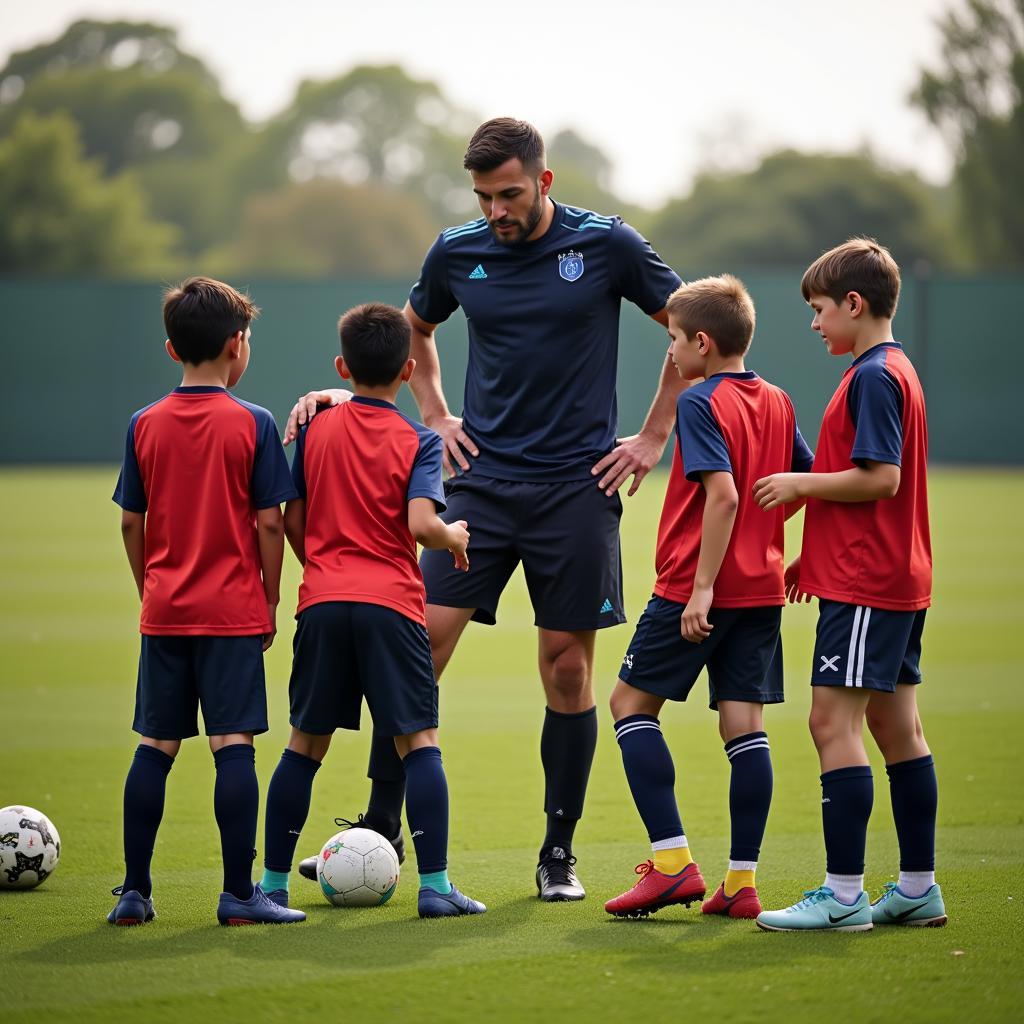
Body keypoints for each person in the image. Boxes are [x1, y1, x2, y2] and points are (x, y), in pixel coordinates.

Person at [287, 117, 684, 900]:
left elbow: (688, 325)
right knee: (417, 646)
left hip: (577, 486)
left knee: (566, 670)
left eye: (509, 194)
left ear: (544, 181)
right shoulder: (457, 250)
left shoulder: (606, 245)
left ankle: (557, 854)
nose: (497, 211)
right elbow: (417, 328)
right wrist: (434, 413)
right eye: (483, 196)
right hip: (481, 483)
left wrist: (654, 432)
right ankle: (375, 828)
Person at [260, 302, 486, 919]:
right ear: (410, 369)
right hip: (393, 605)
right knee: (419, 744)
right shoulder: (418, 440)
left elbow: (292, 519)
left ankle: (272, 887)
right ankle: (436, 889)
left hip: (324, 602)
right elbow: (421, 525)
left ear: (341, 366)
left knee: (303, 747)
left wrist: (326, 569)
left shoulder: (313, 430)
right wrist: (456, 537)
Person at [602, 275, 814, 920]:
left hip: (697, 590)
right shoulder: (777, 399)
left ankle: (671, 866)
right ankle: (741, 883)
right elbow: (803, 482)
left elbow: (722, 496)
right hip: (760, 592)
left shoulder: (699, 402)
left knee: (629, 705)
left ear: (701, 341)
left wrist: (699, 590)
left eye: (672, 340)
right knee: (743, 727)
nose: (669, 354)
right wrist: (796, 553)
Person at [753, 238, 945, 932]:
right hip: (892, 573)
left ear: (855, 304)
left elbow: (880, 479)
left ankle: (841, 898)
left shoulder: (871, 376)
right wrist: (815, 557)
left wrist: (800, 482)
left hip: (869, 582)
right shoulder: (898, 369)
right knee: (898, 727)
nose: (814, 322)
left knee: (830, 722)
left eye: (820, 308)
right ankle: (918, 888)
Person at [109, 276, 304, 926]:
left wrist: (151, 591)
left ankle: (135, 891)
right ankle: (239, 894)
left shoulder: (144, 424)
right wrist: (270, 599)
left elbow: (130, 523)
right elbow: (271, 523)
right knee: (233, 745)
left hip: (165, 611)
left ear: (172, 350)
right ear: (236, 345)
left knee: (155, 746)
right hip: (231, 613)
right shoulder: (253, 423)